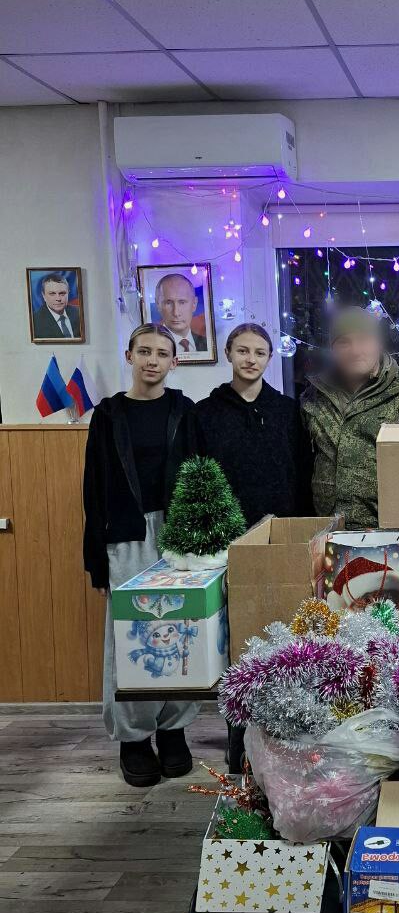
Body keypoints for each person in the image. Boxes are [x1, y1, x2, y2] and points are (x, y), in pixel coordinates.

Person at [82, 323, 204, 787]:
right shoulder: (108, 415)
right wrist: (96, 557)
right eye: (145, 351)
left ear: (175, 361)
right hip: (127, 535)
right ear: (129, 355)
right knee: (131, 632)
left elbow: (200, 476)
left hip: (177, 534)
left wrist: (202, 540)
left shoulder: (184, 411)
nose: (153, 360)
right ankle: (133, 738)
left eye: (162, 353)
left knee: (181, 629)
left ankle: (173, 730)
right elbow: (93, 487)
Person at [302, 306, 399, 527]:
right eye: (344, 342)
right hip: (328, 531)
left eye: (364, 340)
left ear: (378, 343)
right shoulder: (314, 397)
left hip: (393, 534)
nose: (355, 350)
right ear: (332, 349)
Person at [196, 323, 313, 527]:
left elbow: (303, 472)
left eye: (260, 353)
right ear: (228, 353)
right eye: (242, 351)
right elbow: (195, 478)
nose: (251, 360)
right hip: (223, 528)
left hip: (283, 526)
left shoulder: (289, 411)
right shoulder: (203, 413)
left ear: (269, 358)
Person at [155, 271, 207, 354]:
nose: (176, 313)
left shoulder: (206, 344)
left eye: (182, 302)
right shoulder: (152, 346)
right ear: (158, 304)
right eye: (168, 303)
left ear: (194, 303)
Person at [32, 271, 81, 339]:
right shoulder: (35, 322)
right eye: (52, 294)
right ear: (43, 296)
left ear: (68, 293)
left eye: (62, 293)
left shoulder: (79, 313)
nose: (58, 299)